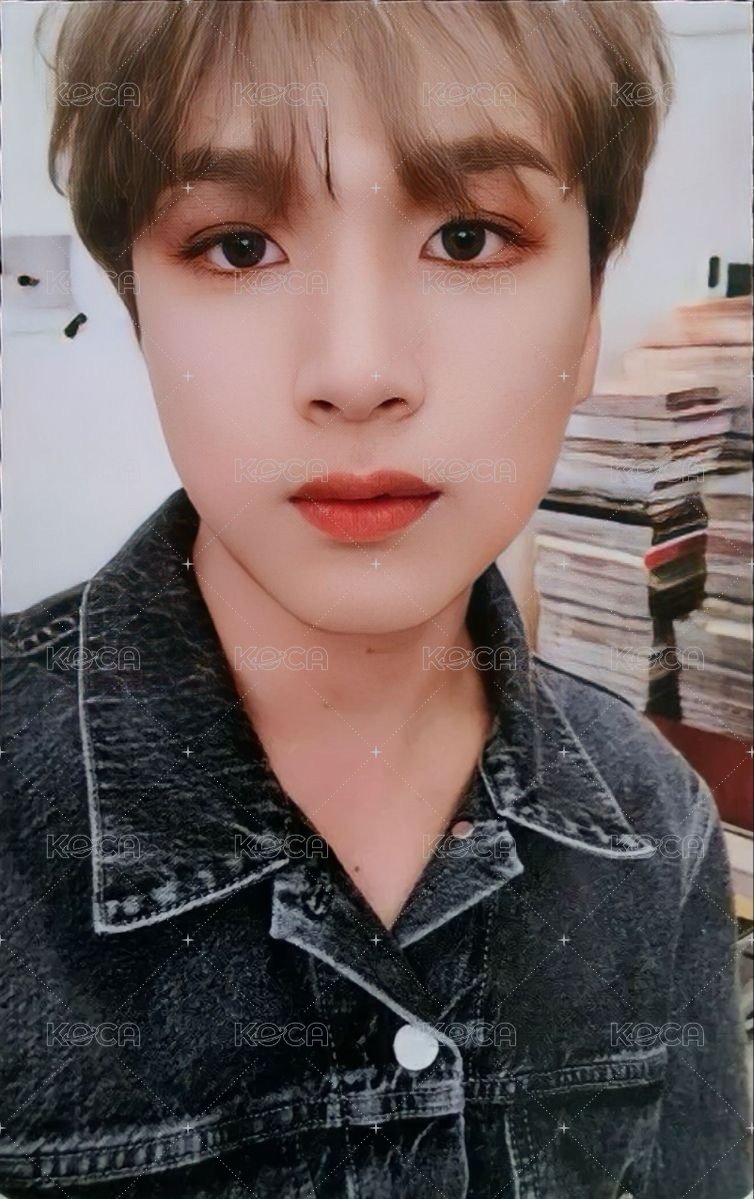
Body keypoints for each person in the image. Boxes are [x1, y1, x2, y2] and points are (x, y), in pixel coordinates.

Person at [1, 2, 751, 1196]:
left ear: (589, 310)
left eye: (466, 237)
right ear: (138, 312)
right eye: (237, 246)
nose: (356, 372)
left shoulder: (658, 823)